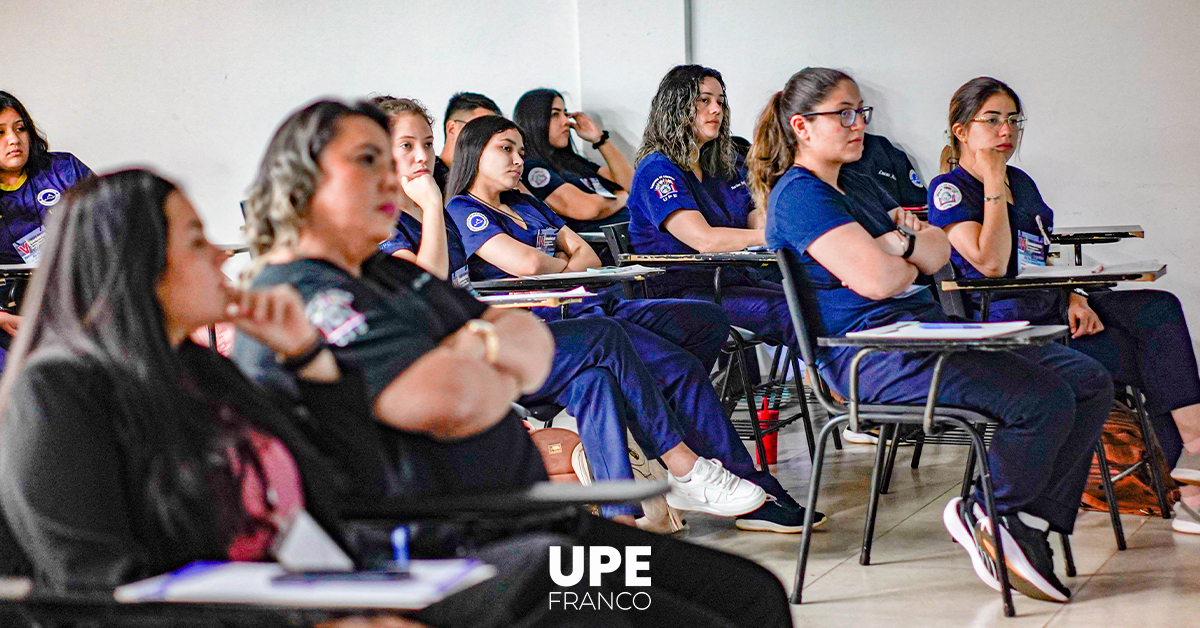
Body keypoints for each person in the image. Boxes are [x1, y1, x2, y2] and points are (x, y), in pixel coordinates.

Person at [231, 98, 794, 628]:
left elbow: (529, 343)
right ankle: (682, 467)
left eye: (393, 156)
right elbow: (451, 399)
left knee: (753, 594)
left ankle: (678, 474)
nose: (393, 175)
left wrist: (469, 351)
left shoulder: (390, 277)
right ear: (306, 180)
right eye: (367, 160)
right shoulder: (306, 295)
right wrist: (479, 350)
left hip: (530, 526)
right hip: (457, 553)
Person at [0, 169, 529, 628]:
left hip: (333, 591)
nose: (219, 255)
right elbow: (99, 588)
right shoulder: (57, 391)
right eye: (196, 240)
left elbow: (349, 486)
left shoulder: (201, 369)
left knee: (574, 574)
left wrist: (307, 357)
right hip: (252, 617)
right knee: (563, 581)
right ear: (137, 264)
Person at [751, 67, 1114, 603]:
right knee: (1040, 398)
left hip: (921, 333)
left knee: (1086, 377)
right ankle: (985, 512)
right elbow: (879, 280)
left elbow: (940, 253)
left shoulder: (859, 184)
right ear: (802, 126)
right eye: (843, 114)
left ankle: (1024, 520)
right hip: (868, 356)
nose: (858, 125)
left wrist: (895, 246)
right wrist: (902, 248)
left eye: (861, 112)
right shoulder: (800, 196)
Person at [371, 95, 770, 525]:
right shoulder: (397, 219)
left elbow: (579, 255)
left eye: (427, 145)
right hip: (465, 360)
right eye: (407, 145)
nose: (422, 157)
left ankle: (622, 521)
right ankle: (684, 466)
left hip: (502, 333)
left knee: (599, 378)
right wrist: (431, 204)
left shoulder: (477, 208)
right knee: (607, 338)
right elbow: (430, 288)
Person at [926, 76, 1200, 533]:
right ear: (961, 130)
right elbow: (991, 264)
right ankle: (1187, 491)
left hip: (1051, 305)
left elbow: (1041, 255)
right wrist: (992, 179)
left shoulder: (1023, 182)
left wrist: (1073, 294)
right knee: (1147, 360)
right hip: (1011, 327)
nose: (1004, 131)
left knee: (1158, 308)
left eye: (1013, 120)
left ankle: (1193, 451)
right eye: (991, 120)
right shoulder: (949, 190)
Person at [626, 65, 802, 360]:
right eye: (704, 100)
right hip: (682, 293)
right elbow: (704, 240)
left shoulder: (724, 162)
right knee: (791, 310)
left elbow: (753, 216)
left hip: (730, 281)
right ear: (676, 106)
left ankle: (838, 386)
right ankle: (841, 390)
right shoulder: (658, 168)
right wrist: (773, 234)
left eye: (720, 101)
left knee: (814, 298)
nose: (716, 109)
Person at [0, 91, 94, 365]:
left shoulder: (63, 170)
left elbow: (110, 225)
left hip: (76, 307)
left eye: (20, 129)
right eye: (0, 132)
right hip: (9, 320)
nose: (14, 140)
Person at [513, 88, 630, 232]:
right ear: (534, 121)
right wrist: (623, 198)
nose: (566, 121)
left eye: (565, 114)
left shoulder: (572, 161)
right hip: (604, 247)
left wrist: (600, 140)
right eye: (555, 114)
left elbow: (631, 184)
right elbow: (587, 209)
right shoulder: (531, 168)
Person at [436, 92, 503, 190]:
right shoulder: (427, 177)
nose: (488, 140)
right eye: (480, 129)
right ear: (452, 129)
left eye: (494, 133)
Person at [842, 133, 928, 208]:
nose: (859, 123)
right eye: (843, 114)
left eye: (862, 114)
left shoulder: (881, 148)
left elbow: (919, 207)